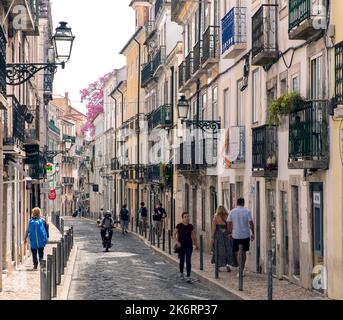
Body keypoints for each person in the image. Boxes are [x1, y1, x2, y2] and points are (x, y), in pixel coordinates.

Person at [227, 198, 255, 277]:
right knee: (244, 252)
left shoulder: (232, 211)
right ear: (243, 203)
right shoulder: (247, 211)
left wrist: (229, 233)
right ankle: (241, 269)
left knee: (237, 252)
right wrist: (252, 233)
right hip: (245, 235)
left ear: (237, 203)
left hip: (235, 235)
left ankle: (240, 268)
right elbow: (251, 222)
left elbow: (228, 223)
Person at [211, 206, 237, 272]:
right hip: (227, 235)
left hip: (218, 236)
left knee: (219, 251)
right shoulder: (228, 216)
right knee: (228, 250)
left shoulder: (215, 217)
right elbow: (231, 226)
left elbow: (213, 229)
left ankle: (218, 266)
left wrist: (212, 237)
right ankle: (227, 265)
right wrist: (231, 233)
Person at [174, 212, 198, 283]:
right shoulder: (179, 226)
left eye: (188, 217)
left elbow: (193, 236)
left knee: (188, 261)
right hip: (181, 246)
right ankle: (181, 273)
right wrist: (177, 242)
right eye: (185, 217)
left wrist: (196, 244)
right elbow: (174, 234)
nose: (187, 218)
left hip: (189, 246)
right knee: (182, 260)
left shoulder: (191, 226)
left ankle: (188, 276)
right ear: (182, 218)